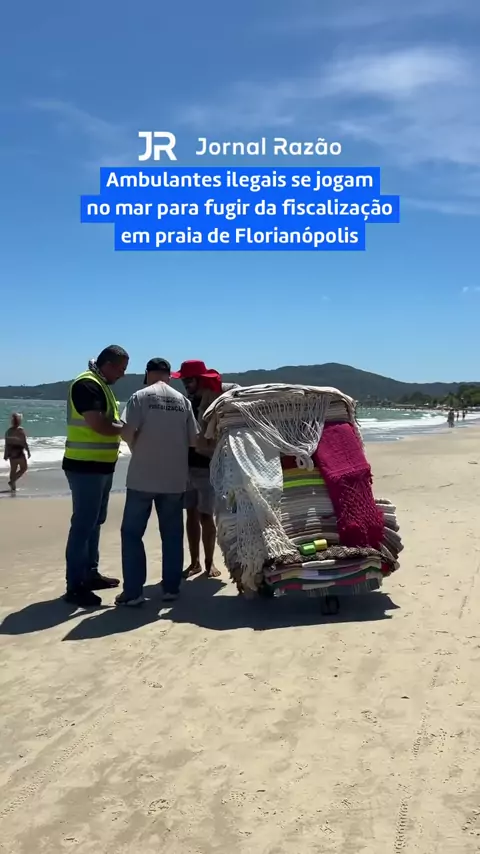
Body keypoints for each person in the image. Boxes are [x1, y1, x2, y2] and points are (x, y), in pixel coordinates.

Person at [116, 358, 199, 607]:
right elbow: (193, 440)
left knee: (132, 534)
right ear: (169, 376)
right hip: (174, 478)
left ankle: (133, 592)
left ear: (148, 373)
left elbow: (126, 432)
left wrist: (139, 443)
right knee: (172, 535)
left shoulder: (140, 397)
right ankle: (171, 588)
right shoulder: (182, 401)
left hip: (142, 476)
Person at [62, 345, 129, 608]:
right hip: (84, 466)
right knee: (83, 525)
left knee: (95, 522)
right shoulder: (87, 384)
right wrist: (127, 429)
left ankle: (90, 573)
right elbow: (99, 424)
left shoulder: (102, 385)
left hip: (101, 466)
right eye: (121, 369)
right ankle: (75, 586)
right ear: (108, 365)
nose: (123, 374)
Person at [171, 359, 239, 579]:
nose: (185, 384)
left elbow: (237, 392)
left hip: (208, 466)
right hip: (186, 465)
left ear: (200, 379)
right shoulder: (185, 401)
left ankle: (210, 563)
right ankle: (195, 563)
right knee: (190, 514)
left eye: (188, 380)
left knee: (206, 515)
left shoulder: (216, 397)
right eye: (183, 380)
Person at [4, 413, 30, 492]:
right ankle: (12, 481)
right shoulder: (20, 430)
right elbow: (24, 442)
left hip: (11, 453)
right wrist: (28, 451)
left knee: (13, 470)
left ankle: (13, 487)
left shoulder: (8, 431)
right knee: (24, 468)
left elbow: (7, 444)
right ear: (19, 421)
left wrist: (6, 454)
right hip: (19, 452)